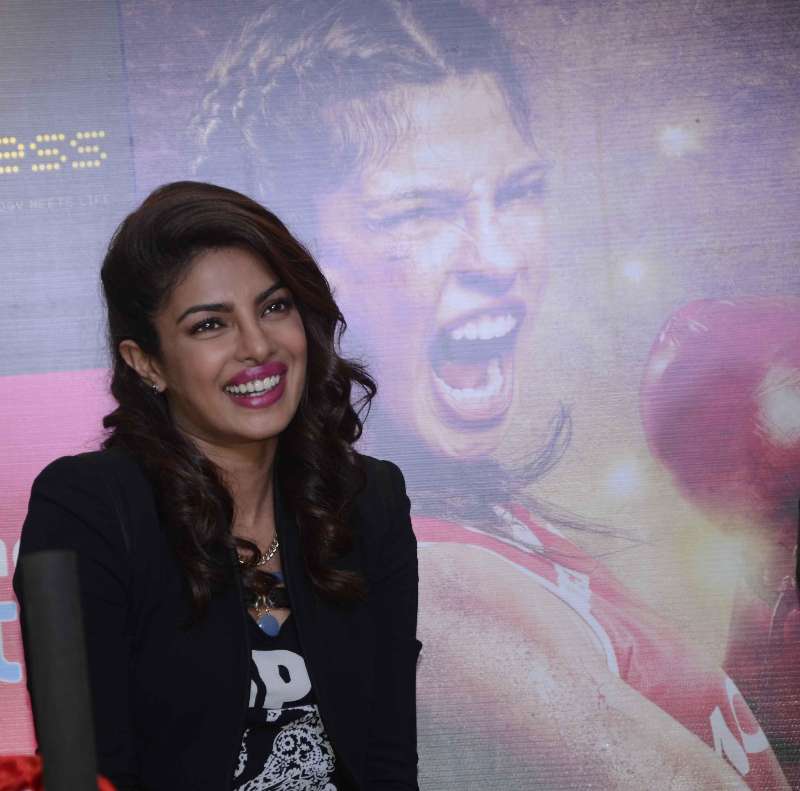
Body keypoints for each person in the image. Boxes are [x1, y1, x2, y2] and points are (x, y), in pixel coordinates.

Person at [190, 1, 790, 788]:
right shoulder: (421, 584)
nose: (499, 255)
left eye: (517, 192)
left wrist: (774, 584)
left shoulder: (446, 525)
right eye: (422, 210)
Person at [13, 181, 420, 791]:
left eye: (275, 307)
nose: (257, 346)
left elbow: (388, 762)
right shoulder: (88, 507)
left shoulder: (368, 499)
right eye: (209, 325)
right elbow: (89, 771)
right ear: (145, 362)